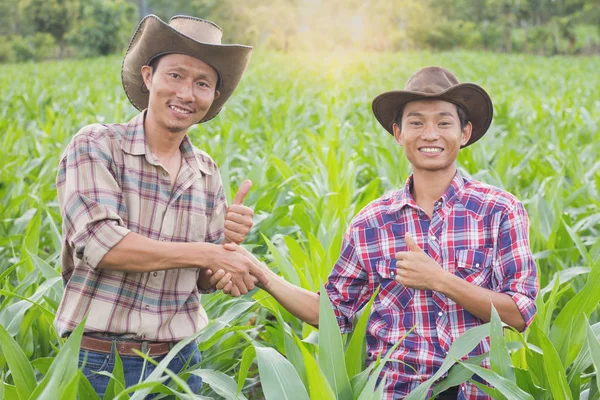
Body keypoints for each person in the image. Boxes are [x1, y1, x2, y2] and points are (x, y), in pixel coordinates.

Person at [220, 66, 538, 399]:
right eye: (416, 123)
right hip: (396, 392)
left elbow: (519, 313)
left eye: (444, 122)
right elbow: (333, 314)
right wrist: (262, 273)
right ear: (398, 133)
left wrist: (439, 280)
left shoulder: (499, 210)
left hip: (478, 392)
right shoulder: (371, 222)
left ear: (465, 133)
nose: (430, 134)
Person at [55, 15, 267, 397]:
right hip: (100, 362)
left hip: (182, 361)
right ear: (149, 76)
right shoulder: (98, 145)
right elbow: (101, 244)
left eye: (202, 83)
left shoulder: (206, 172)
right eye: (176, 76)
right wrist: (210, 252)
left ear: (214, 96)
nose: (187, 93)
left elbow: (201, 280)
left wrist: (225, 259)